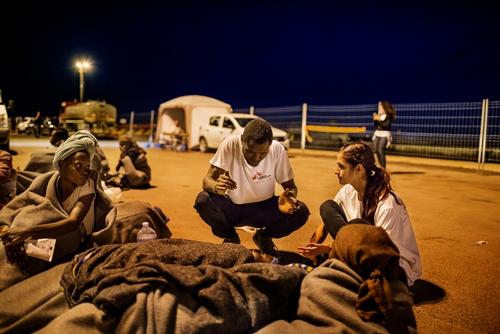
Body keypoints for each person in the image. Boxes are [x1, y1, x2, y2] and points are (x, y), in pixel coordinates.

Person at [0, 130, 114, 289]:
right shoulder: (45, 181)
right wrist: (8, 231)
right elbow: (20, 204)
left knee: (28, 255)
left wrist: (25, 232)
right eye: (78, 166)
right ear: (61, 165)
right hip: (39, 229)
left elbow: (72, 223)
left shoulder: (87, 188)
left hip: (70, 236)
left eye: (87, 166)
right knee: (10, 240)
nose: (85, 171)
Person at [298, 141, 421, 286]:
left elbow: (382, 252)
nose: (336, 171)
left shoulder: (387, 205)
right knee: (328, 208)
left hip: (392, 266)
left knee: (358, 226)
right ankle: (345, 265)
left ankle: (347, 268)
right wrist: (312, 250)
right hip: (360, 254)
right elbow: (325, 224)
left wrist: (329, 249)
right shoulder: (348, 190)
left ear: (359, 169)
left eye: (341, 166)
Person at [194, 118, 309, 258]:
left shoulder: (277, 149)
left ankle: (264, 237)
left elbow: (291, 187)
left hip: (264, 211)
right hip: (234, 209)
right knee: (203, 200)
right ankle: (231, 237)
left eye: (262, 153)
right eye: (250, 151)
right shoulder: (230, 144)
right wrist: (216, 186)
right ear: (242, 140)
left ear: (270, 145)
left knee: (301, 211)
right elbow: (207, 180)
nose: (256, 157)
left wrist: (289, 197)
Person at [372, 101, 396, 169]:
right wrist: (375, 120)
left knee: (380, 149)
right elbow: (376, 126)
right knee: (375, 150)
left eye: (381, 106)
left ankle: (383, 168)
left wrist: (379, 119)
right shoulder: (380, 115)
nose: (380, 108)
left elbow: (386, 126)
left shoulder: (388, 115)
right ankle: (379, 166)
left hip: (385, 134)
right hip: (377, 133)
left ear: (384, 107)